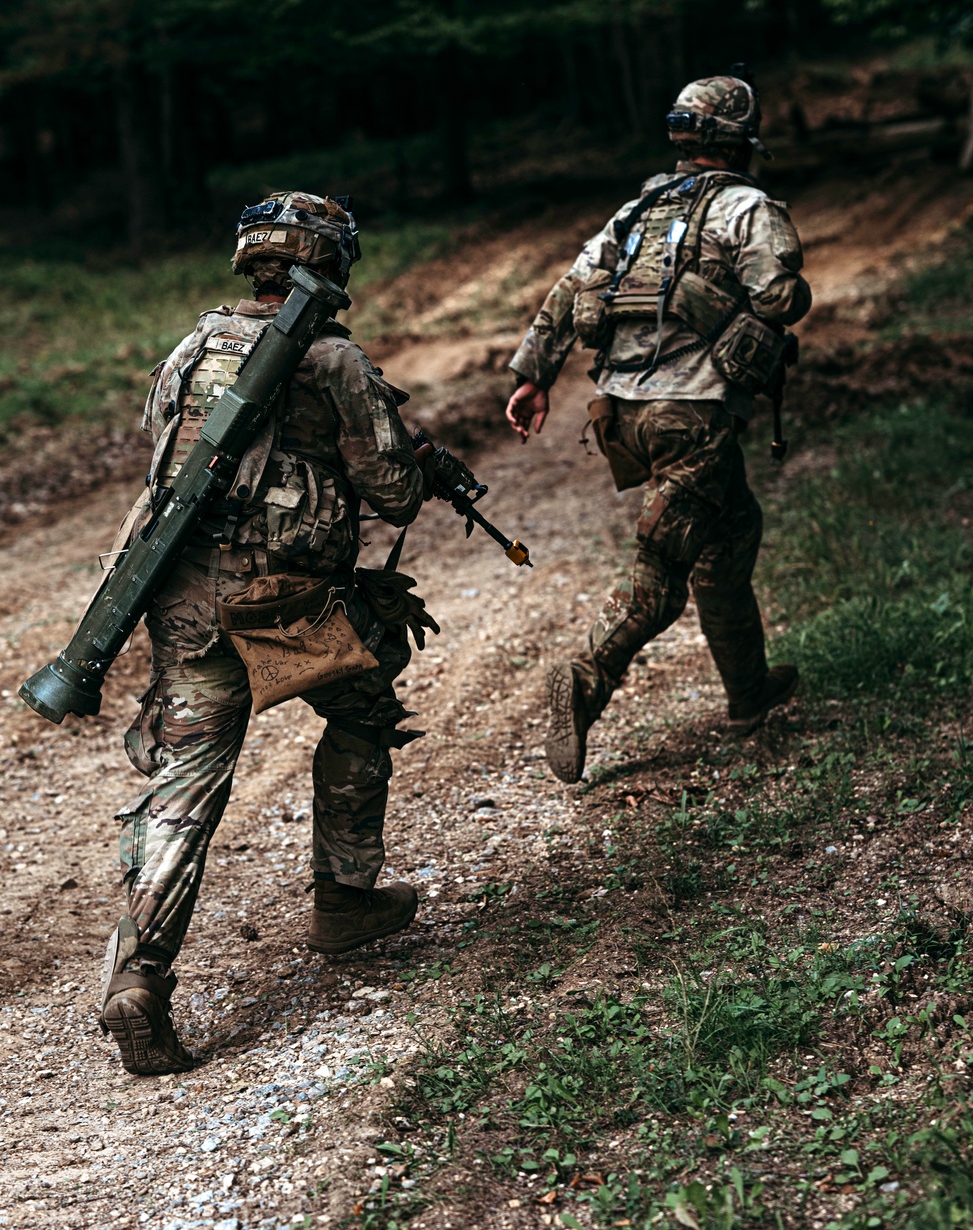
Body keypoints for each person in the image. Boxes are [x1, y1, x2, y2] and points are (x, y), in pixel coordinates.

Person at [101, 191, 433, 1075]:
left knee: (185, 788)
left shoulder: (190, 346)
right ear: (331, 263)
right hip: (287, 609)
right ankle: (343, 897)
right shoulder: (331, 358)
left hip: (185, 603)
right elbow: (393, 493)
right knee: (363, 703)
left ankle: (138, 977)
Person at [506, 75, 812, 784]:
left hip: (622, 414)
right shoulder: (748, 207)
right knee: (660, 575)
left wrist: (532, 372)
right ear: (741, 139)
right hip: (692, 416)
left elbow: (568, 288)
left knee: (731, 534)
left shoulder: (637, 208)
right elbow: (778, 296)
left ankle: (748, 691)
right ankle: (582, 681)